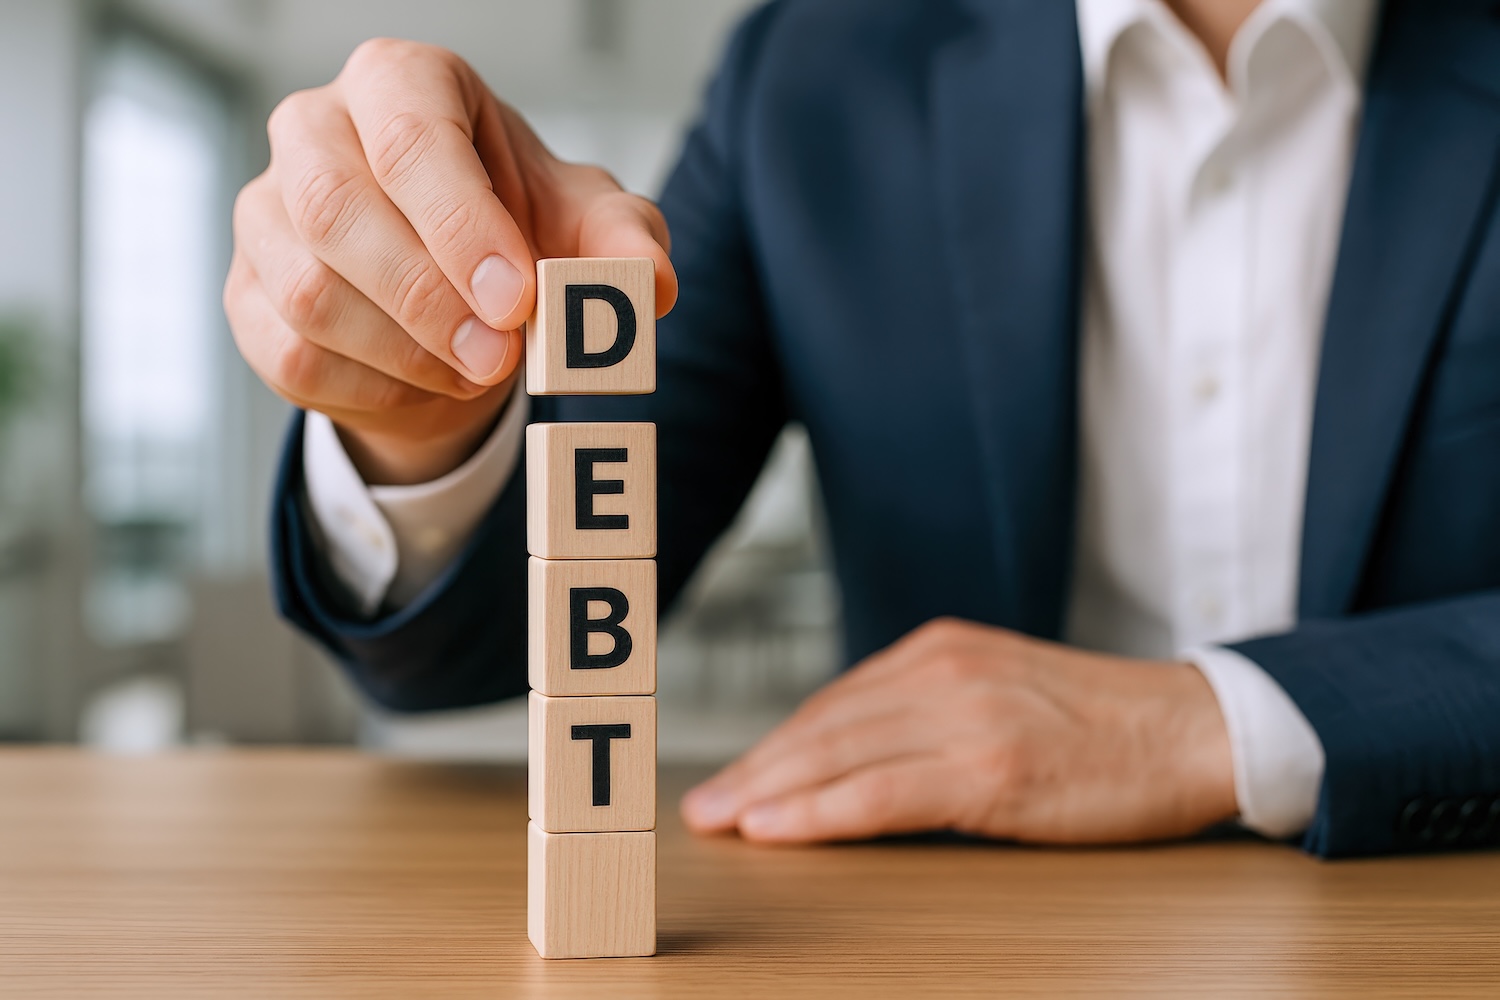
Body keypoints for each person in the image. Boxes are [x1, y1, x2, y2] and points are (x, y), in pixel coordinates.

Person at [224, 0, 1500, 858]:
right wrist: (431, 424)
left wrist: (1219, 718)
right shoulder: (816, 72)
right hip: (941, 941)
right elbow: (502, 635)